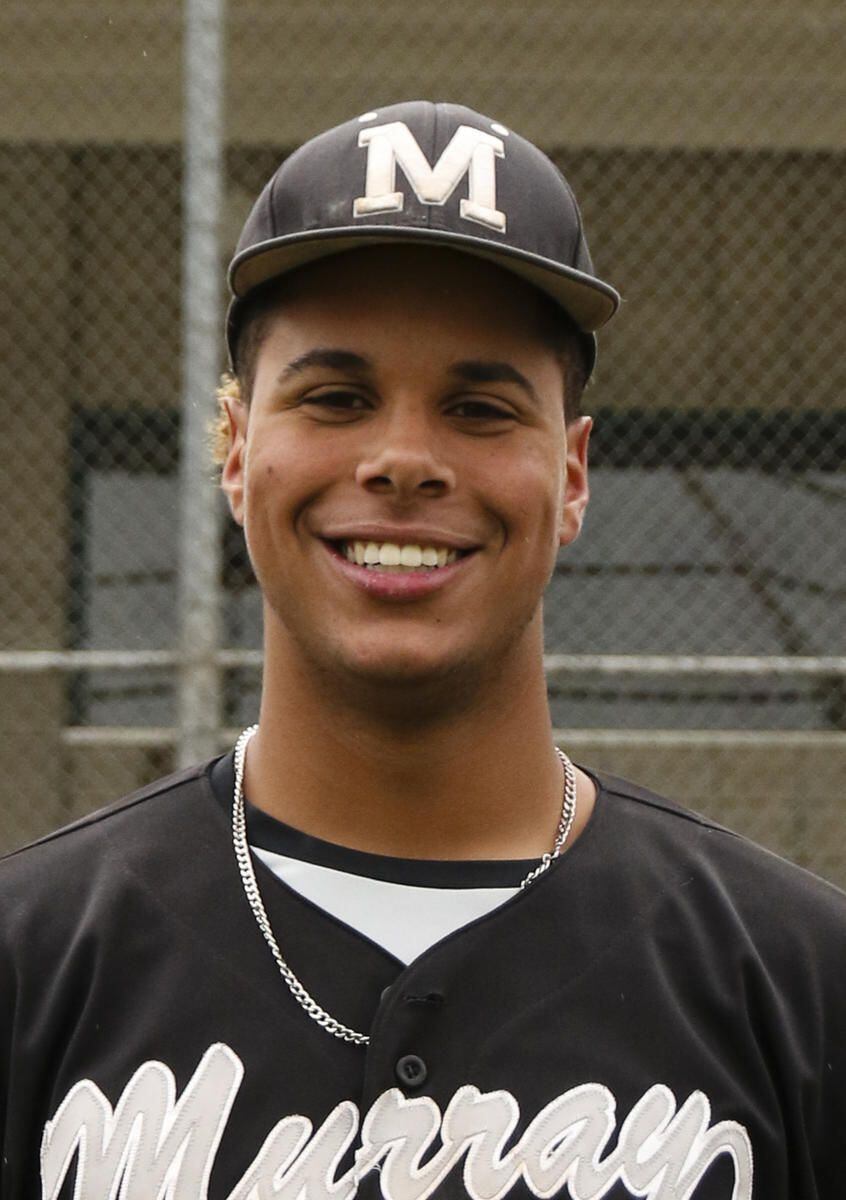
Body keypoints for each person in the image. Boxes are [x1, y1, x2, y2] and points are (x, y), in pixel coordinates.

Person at [1, 100, 844, 1199]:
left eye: (480, 408)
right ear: (236, 449)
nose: (403, 459)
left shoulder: (800, 983)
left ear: (573, 475)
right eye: (337, 397)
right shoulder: (33, 957)